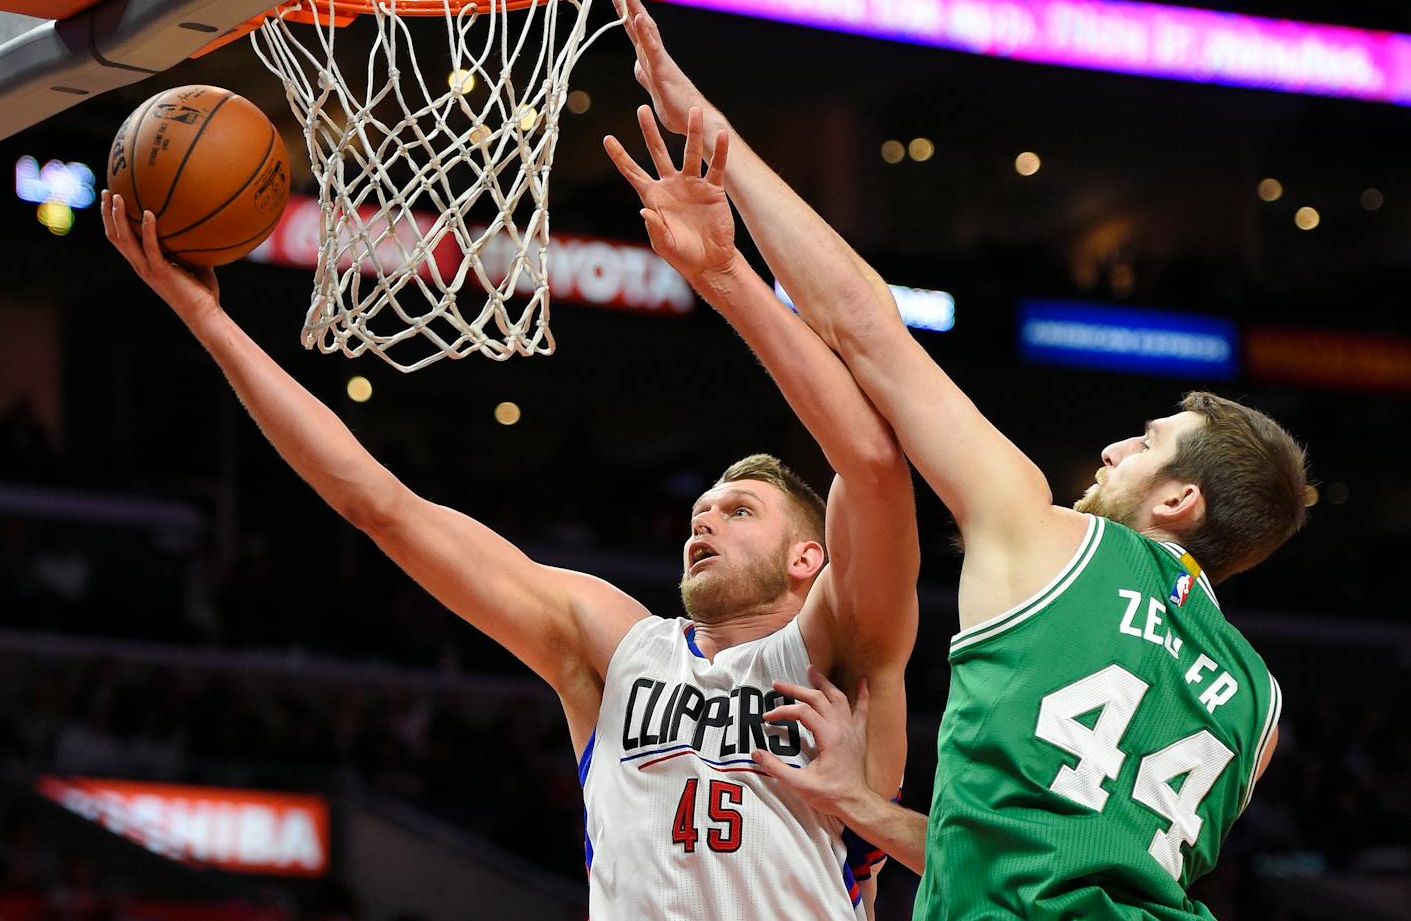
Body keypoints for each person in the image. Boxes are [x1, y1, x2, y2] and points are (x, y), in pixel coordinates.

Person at [613, 0, 1308, 920]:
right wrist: (862, 806)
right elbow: (1058, 853)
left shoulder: (1046, 533)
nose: (1112, 448)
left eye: (1146, 443)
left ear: (1180, 500)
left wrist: (708, 129)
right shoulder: (1259, 704)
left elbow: (864, 324)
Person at [99, 159, 918, 919]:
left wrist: (731, 277)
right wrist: (207, 319)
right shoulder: (618, 646)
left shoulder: (841, 651)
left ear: (808, 558)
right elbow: (381, 504)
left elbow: (874, 464)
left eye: (739, 510)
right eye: (702, 508)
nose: (704, 519)